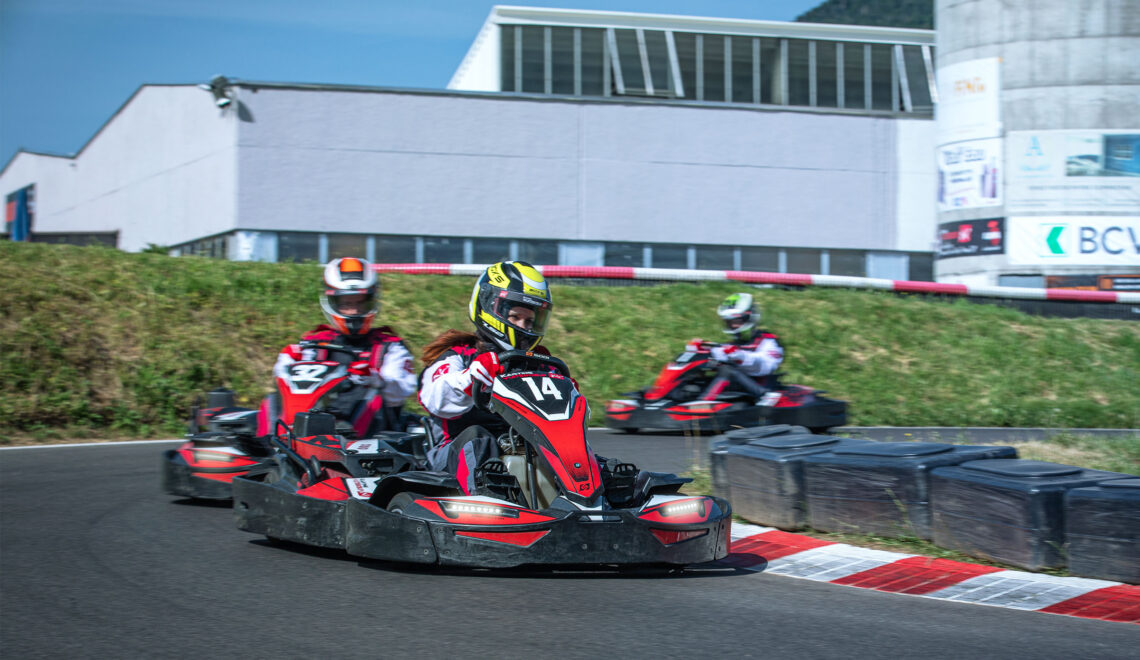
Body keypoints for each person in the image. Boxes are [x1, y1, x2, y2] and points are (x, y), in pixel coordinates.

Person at [418, 260, 557, 495]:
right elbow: (434, 398)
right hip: (452, 455)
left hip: (518, 452)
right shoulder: (460, 355)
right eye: (515, 317)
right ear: (490, 307)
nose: (523, 326)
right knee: (478, 439)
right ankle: (485, 505)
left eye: (529, 321)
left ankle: (600, 500)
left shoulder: (537, 363)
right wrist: (471, 378)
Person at [267, 257, 417, 436]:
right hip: (318, 420)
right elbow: (297, 384)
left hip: (373, 433)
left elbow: (401, 391)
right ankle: (274, 443)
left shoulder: (390, 346)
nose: (353, 311)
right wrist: (287, 364)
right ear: (333, 302)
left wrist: (373, 378)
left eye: (360, 303)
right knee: (273, 398)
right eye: (346, 303)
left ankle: (345, 444)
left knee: (372, 395)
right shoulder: (315, 343)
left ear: (371, 300)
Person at [689, 292, 785, 404]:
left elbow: (766, 366)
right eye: (729, 322)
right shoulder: (732, 345)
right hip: (735, 388)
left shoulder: (768, 341)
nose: (733, 325)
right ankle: (673, 398)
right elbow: (720, 353)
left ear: (749, 317)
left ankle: (701, 406)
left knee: (728, 370)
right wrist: (702, 350)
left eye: (736, 321)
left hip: (759, 390)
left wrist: (740, 357)